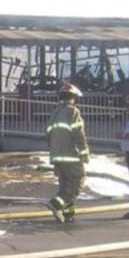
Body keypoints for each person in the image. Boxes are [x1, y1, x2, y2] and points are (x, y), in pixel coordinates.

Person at [46, 83, 90, 224]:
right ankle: (56, 204)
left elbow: (47, 134)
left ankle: (68, 214)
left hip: (56, 156)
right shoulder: (72, 111)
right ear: (74, 98)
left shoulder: (55, 113)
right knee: (77, 183)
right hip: (71, 156)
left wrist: (54, 150)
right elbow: (79, 134)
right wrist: (84, 153)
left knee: (65, 185)